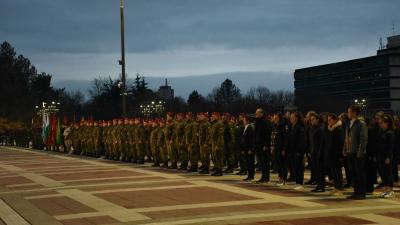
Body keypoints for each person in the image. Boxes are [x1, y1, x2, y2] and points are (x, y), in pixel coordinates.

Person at [343, 105, 368, 200]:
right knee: (353, 173)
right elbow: (347, 138)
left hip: (357, 152)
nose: (347, 113)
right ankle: (356, 191)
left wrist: (360, 152)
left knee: (359, 173)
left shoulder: (361, 123)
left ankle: (362, 193)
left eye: (349, 111)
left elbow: (363, 138)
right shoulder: (349, 123)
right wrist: (345, 149)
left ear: (354, 113)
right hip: (350, 152)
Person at [325, 113, 345, 195]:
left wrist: (340, 155)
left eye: (330, 120)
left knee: (337, 171)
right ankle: (336, 186)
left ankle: (339, 187)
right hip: (331, 153)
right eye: (328, 120)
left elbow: (340, 143)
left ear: (335, 120)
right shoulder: (331, 129)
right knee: (333, 171)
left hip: (336, 154)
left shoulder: (339, 129)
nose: (328, 121)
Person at [377, 114, 396, 198]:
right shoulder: (382, 132)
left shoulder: (390, 133)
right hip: (381, 156)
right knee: (383, 174)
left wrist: (388, 157)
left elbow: (390, 147)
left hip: (387, 156)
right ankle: (386, 190)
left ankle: (390, 190)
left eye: (382, 123)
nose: (380, 124)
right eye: (380, 123)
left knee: (388, 173)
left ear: (387, 123)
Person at [288, 112, 306, 189]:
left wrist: (299, 151)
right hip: (292, 150)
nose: (290, 119)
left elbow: (301, 140)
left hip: (297, 151)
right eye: (290, 117)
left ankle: (300, 182)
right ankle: (297, 181)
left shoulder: (299, 127)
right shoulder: (292, 126)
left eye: (292, 117)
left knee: (299, 167)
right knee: (294, 167)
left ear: (296, 118)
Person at [254, 109, 273, 183]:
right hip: (258, 145)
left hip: (264, 145)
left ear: (261, 113)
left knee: (265, 162)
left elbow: (267, 134)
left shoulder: (265, 122)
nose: (256, 114)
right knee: (261, 162)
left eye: (257, 113)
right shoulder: (257, 122)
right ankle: (263, 176)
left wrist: (265, 144)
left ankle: (266, 177)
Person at [271, 113, 288, 185]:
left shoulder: (282, 126)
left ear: (279, 118)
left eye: (276, 118)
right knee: (278, 164)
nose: (274, 119)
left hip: (281, 148)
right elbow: (273, 137)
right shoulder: (275, 126)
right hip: (276, 147)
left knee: (282, 164)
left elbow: (285, 138)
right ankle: (280, 178)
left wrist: (284, 149)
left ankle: (283, 179)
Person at [242, 114, 255, 181]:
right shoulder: (246, 127)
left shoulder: (250, 127)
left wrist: (250, 149)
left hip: (249, 148)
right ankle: (249, 175)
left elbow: (251, 139)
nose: (243, 121)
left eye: (244, 120)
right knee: (248, 162)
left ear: (247, 121)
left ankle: (251, 176)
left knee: (250, 162)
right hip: (246, 148)